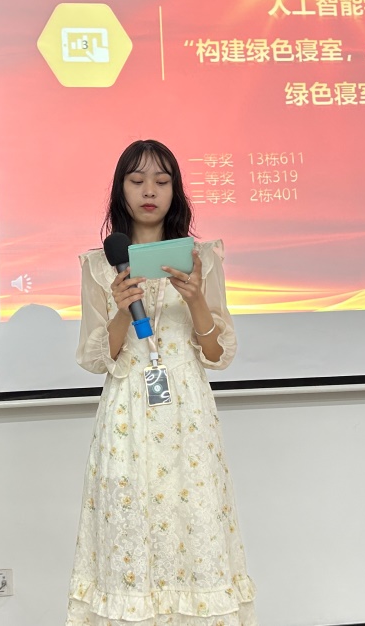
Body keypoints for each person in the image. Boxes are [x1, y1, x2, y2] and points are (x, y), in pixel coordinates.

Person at [67, 139, 257, 626]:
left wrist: (195, 299)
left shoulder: (201, 256)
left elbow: (218, 354)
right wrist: (120, 309)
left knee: (194, 521)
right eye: (137, 180)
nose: (149, 190)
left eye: (161, 180)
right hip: (127, 412)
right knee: (130, 525)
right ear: (121, 190)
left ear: (176, 190)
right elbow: (96, 357)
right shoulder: (99, 263)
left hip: (187, 414)